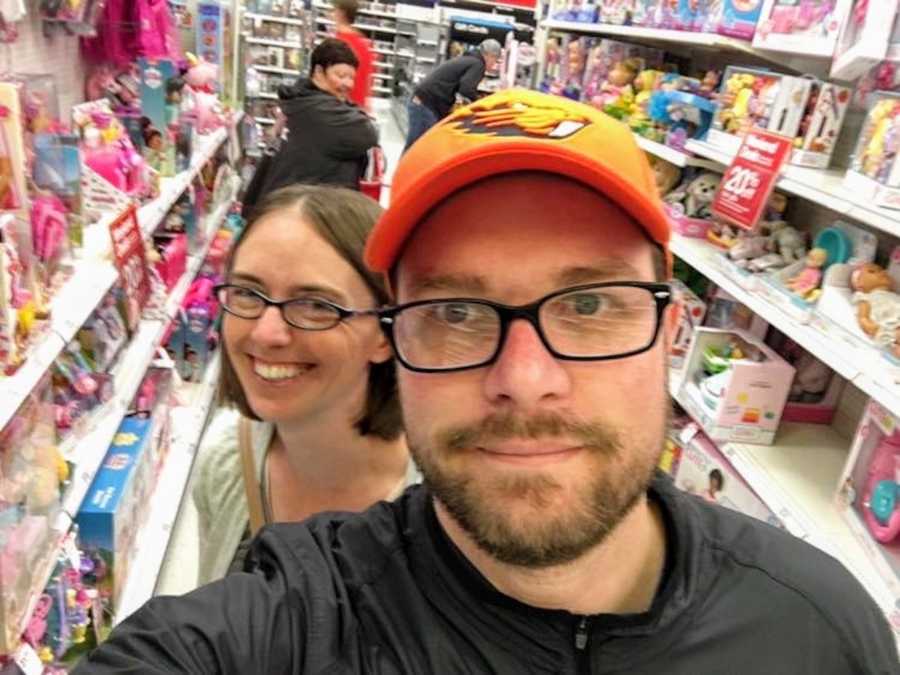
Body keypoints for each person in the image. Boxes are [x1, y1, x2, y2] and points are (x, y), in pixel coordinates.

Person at [74, 91, 898, 673]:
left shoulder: (821, 626)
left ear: (670, 338)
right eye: (458, 312)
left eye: (588, 303)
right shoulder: (297, 614)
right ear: (393, 344)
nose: (526, 381)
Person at [191, 184, 414, 585]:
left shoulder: (448, 500)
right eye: (247, 293)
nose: (266, 333)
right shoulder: (225, 462)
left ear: (385, 333)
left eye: (316, 305)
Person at [249, 39, 377, 201]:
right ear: (318, 71)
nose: (348, 83)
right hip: (299, 211)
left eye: (351, 78)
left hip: (282, 203)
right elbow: (367, 133)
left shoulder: (300, 99)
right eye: (340, 75)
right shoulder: (319, 110)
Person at [403, 38, 502, 152]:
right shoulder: (478, 64)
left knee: (418, 147)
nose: (494, 65)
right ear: (490, 56)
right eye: (495, 60)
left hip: (423, 101)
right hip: (426, 104)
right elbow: (466, 89)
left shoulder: (468, 59)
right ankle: (406, 170)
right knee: (418, 149)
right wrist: (481, 104)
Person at [332, 0, 374, 110]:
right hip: (356, 106)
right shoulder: (364, 43)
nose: (331, 13)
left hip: (339, 104)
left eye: (334, 10)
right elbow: (369, 77)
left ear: (341, 13)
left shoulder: (338, 41)